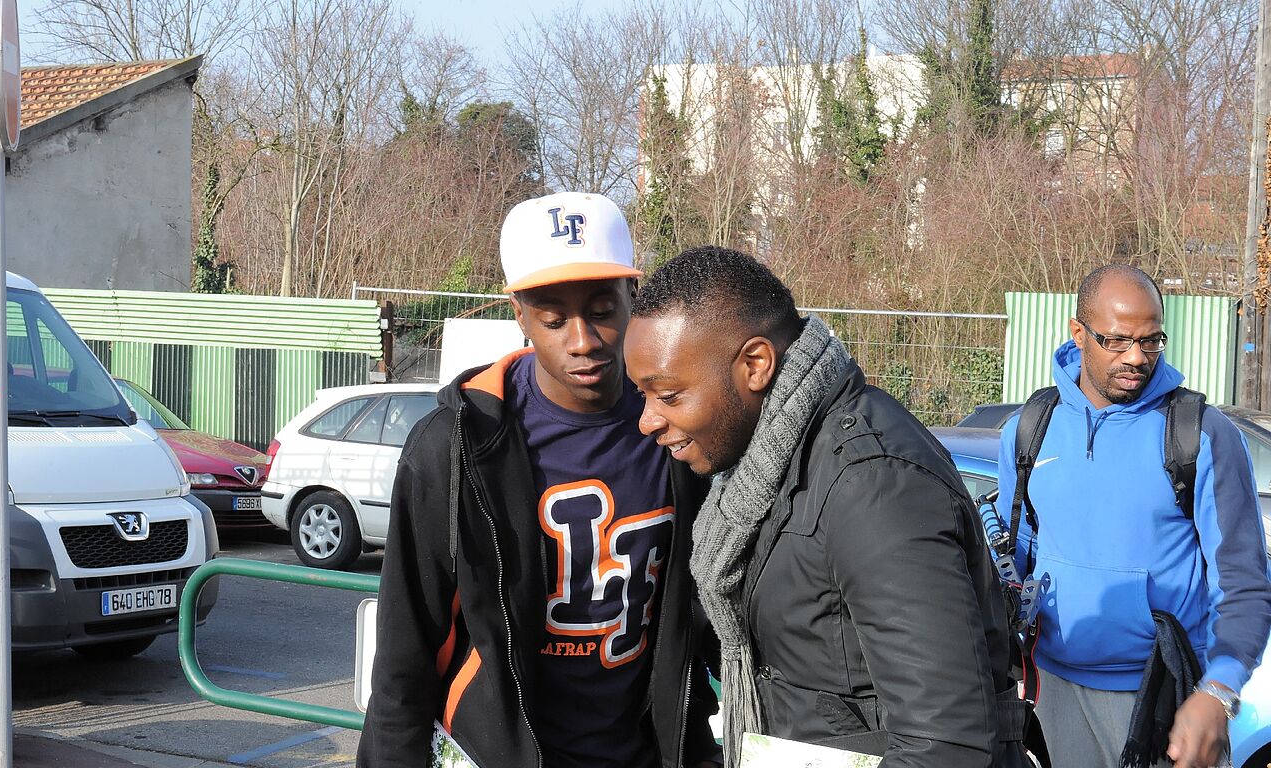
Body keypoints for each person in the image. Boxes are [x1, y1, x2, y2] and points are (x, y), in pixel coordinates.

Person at [624, 246, 1034, 768]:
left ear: (755, 365)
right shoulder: (759, 469)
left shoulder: (872, 484)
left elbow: (945, 743)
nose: (648, 420)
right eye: (642, 395)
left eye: (668, 395)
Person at [358, 192, 721, 768]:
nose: (583, 340)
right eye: (553, 320)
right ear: (519, 314)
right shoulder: (455, 446)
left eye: (602, 310)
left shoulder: (679, 428)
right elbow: (406, 648)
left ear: (633, 296)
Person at [995, 264, 1271, 768]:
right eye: (1117, 341)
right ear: (1078, 333)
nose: (1136, 358)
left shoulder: (1201, 435)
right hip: (1053, 693)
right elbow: (1016, 556)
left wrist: (1218, 691)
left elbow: (1244, 583)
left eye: (1151, 341)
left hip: (1167, 701)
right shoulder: (1029, 429)